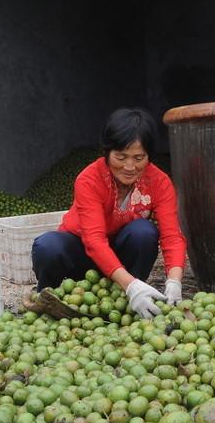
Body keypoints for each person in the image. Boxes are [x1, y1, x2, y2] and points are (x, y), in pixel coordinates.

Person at [31, 108, 186, 319]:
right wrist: (131, 286)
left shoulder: (159, 183)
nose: (130, 167)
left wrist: (174, 282)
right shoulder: (89, 179)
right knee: (47, 246)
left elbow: (172, 237)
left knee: (144, 232)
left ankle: (130, 298)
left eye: (139, 158)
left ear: (149, 156)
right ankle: (55, 302)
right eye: (120, 157)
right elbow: (93, 240)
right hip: (82, 253)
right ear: (107, 152)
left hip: (122, 259)